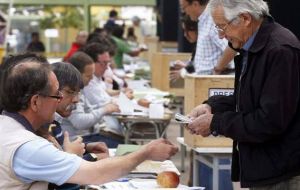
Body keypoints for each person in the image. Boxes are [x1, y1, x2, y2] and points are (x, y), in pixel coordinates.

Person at [0, 53, 178, 189]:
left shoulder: (8, 127)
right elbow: (97, 174)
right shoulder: (29, 147)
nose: (61, 99)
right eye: (57, 94)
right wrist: (146, 152)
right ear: (35, 102)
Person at [186, 0, 300, 189]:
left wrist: (215, 123)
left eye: (223, 27)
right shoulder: (254, 47)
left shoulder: (280, 51)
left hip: (281, 173)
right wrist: (212, 106)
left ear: (245, 18)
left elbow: (268, 121)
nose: (222, 36)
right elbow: (248, 99)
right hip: (266, 168)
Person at [64, 51, 122, 147]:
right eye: (88, 76)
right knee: (123, 146)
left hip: (87, 136)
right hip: (79, 140)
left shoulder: (79, 90)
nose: (91, 79)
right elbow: (79, 122)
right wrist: (105, 110)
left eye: (92, 75)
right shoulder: (72, 93)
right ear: (77, 73)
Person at [180, 0, 235, 75]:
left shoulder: (212, 20)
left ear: (195, 4)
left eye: (183, 8)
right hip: (204, 79)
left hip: (213, 79)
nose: (184, 12)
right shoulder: (203, 20)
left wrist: (217, 69)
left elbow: (231, 48)